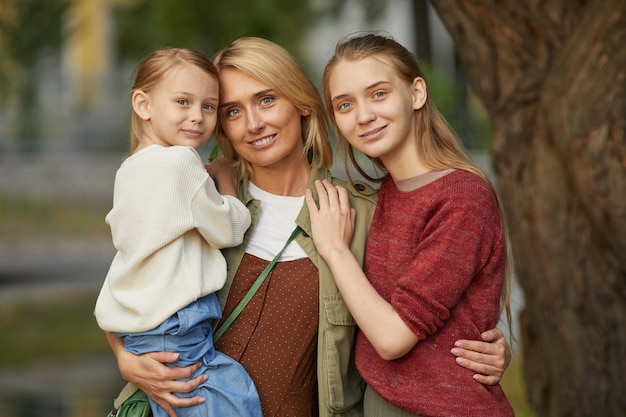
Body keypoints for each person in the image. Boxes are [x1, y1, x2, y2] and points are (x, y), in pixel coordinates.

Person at [105, 37, 511, 417]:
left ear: (301, 103)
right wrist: (126, 358)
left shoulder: (364, 211)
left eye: (266, 100)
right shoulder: (201, 197)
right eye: (231, 110)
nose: (253, 123)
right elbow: (130, 279)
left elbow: (410, 319)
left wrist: (489, 347)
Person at [305, 33, 515, 416]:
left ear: (416, 93)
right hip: (381, 401)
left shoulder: (461, 197)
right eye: (345, 104)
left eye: (379, 93)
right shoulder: (384, 195)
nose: (364, 115)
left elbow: (391, 338)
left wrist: (335, 249)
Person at [94, 47, 263, 417]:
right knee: (234, 400)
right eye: (183, 102)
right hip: (177, 327)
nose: (197, 117)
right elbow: (230, 229)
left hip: (143, 331)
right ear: (143, 104)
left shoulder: (129, 170)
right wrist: (225, 180)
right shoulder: (180, 161)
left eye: (208, 107)